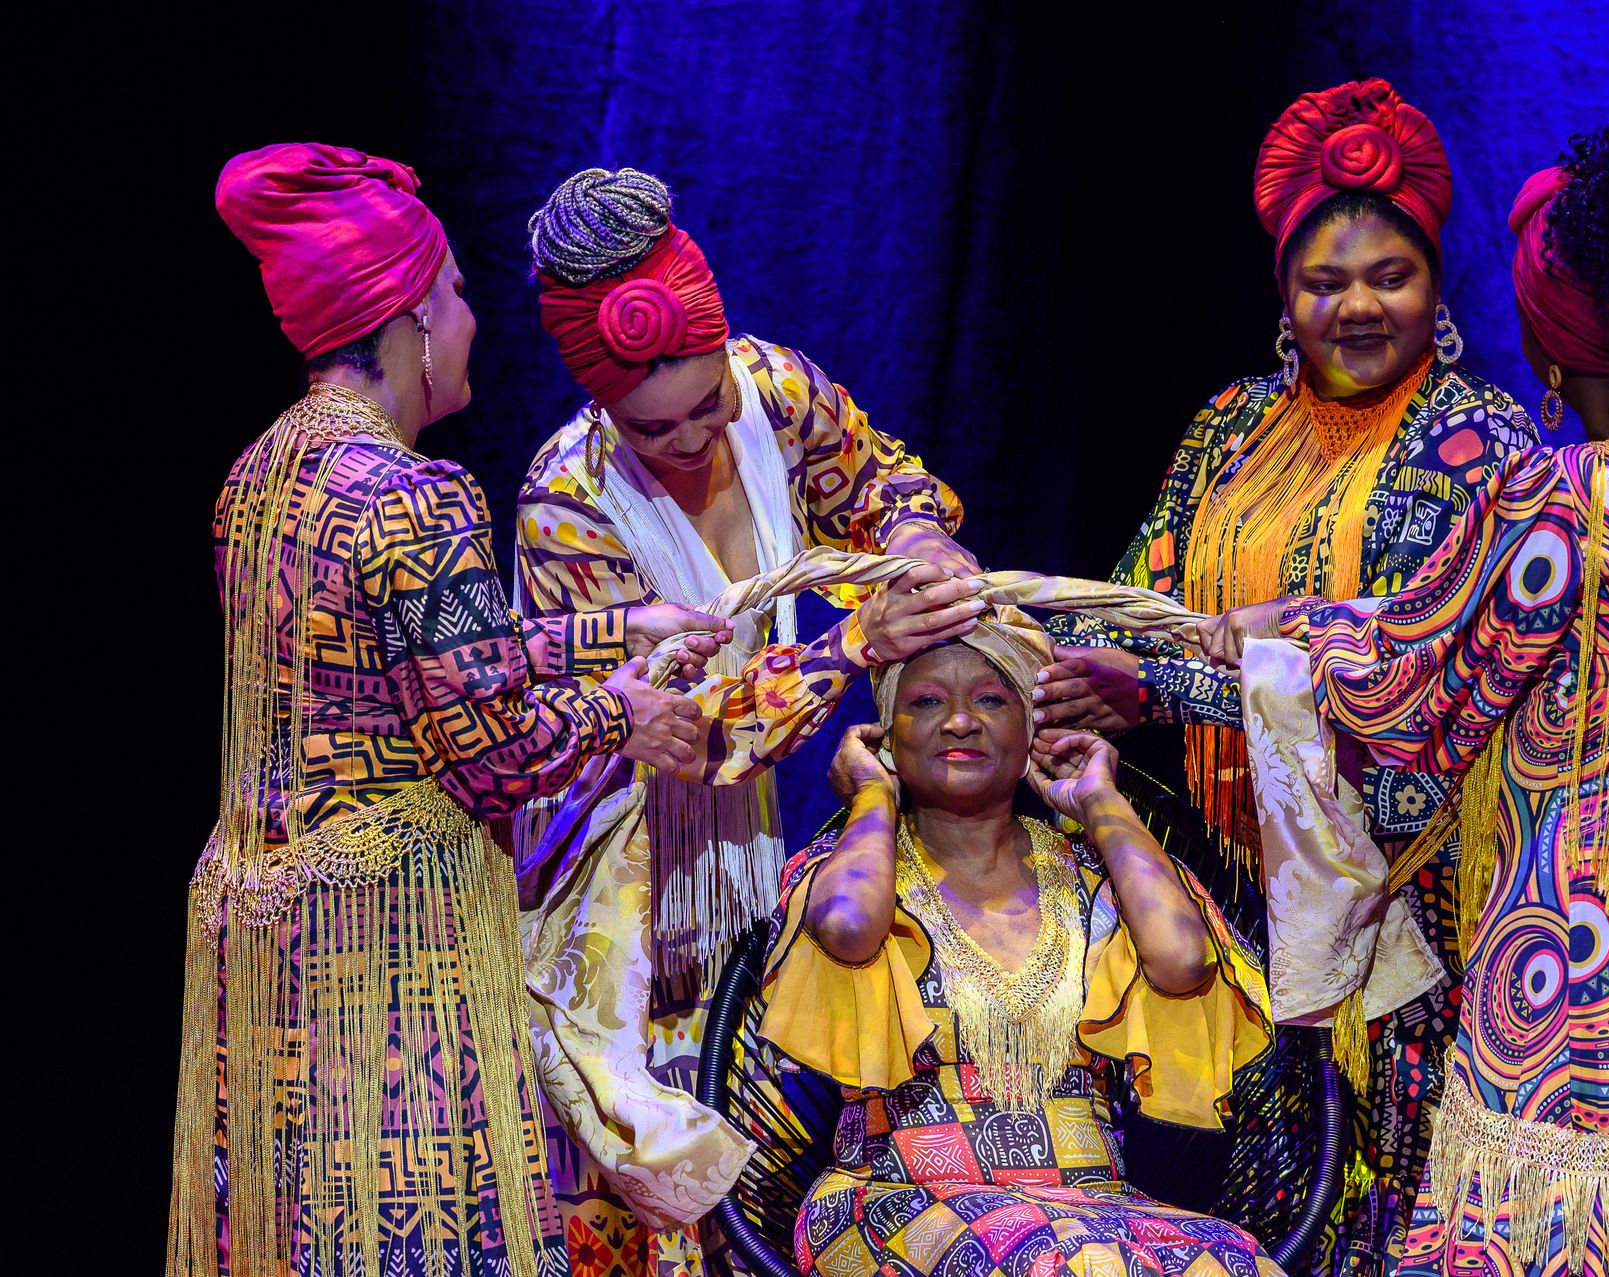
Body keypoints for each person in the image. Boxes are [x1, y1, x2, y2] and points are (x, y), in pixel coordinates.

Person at [1199, 124, 1609, 1276]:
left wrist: (1276, 634)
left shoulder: (1572, 493)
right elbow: (1536, 638)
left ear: (1548, 338)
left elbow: (1418, 697)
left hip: (1571, 947)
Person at [169, 144, 737, 1276]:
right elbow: (492, 754)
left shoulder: (258, 478)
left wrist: (609, 629)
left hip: (261, 924)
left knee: (298, 1226)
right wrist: (617, 714)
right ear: (410, 321)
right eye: (462, 299)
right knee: (410, 1226)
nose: (474, 324)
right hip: (381, 939)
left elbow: (414, 661)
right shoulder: (416, 492)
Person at [1037, 78, 1537, 1268]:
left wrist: (1162, 688)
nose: (1358, 306)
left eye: (1390, 276)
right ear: (1283, 296)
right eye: (1325, 281)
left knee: (1372, 1211)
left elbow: (1405, 689)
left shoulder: (1484, 446)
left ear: (1437, 286)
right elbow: (1143, 597)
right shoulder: (1229, 427)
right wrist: (1051, 656)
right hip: (1231, 889)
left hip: (1404, 918)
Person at [513, 168, 982, 1274]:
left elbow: (888, 482)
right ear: (603, 407)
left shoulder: (772, 388)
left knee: (767, 1188)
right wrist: (849, 644)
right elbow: (680, 731)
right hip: (630, 877)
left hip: (752, 862)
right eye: (650, 426)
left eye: (703, 406)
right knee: (649, 1192)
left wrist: (912, 539)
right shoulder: (567, 503)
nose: (685, 441)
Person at [759, 615, 1278, 1277]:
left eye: (991, 698)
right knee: (1058, 1261)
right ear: (886, 738)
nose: (959, 721)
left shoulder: (1090, 881)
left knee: (1233, 1262)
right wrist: (871, 798)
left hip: (1094, 1209)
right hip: (898, 1198)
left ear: (1031, 729)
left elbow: (1184, 960)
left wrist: (1099, 800)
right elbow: (849, 929)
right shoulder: (848, 873)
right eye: (925, 702)